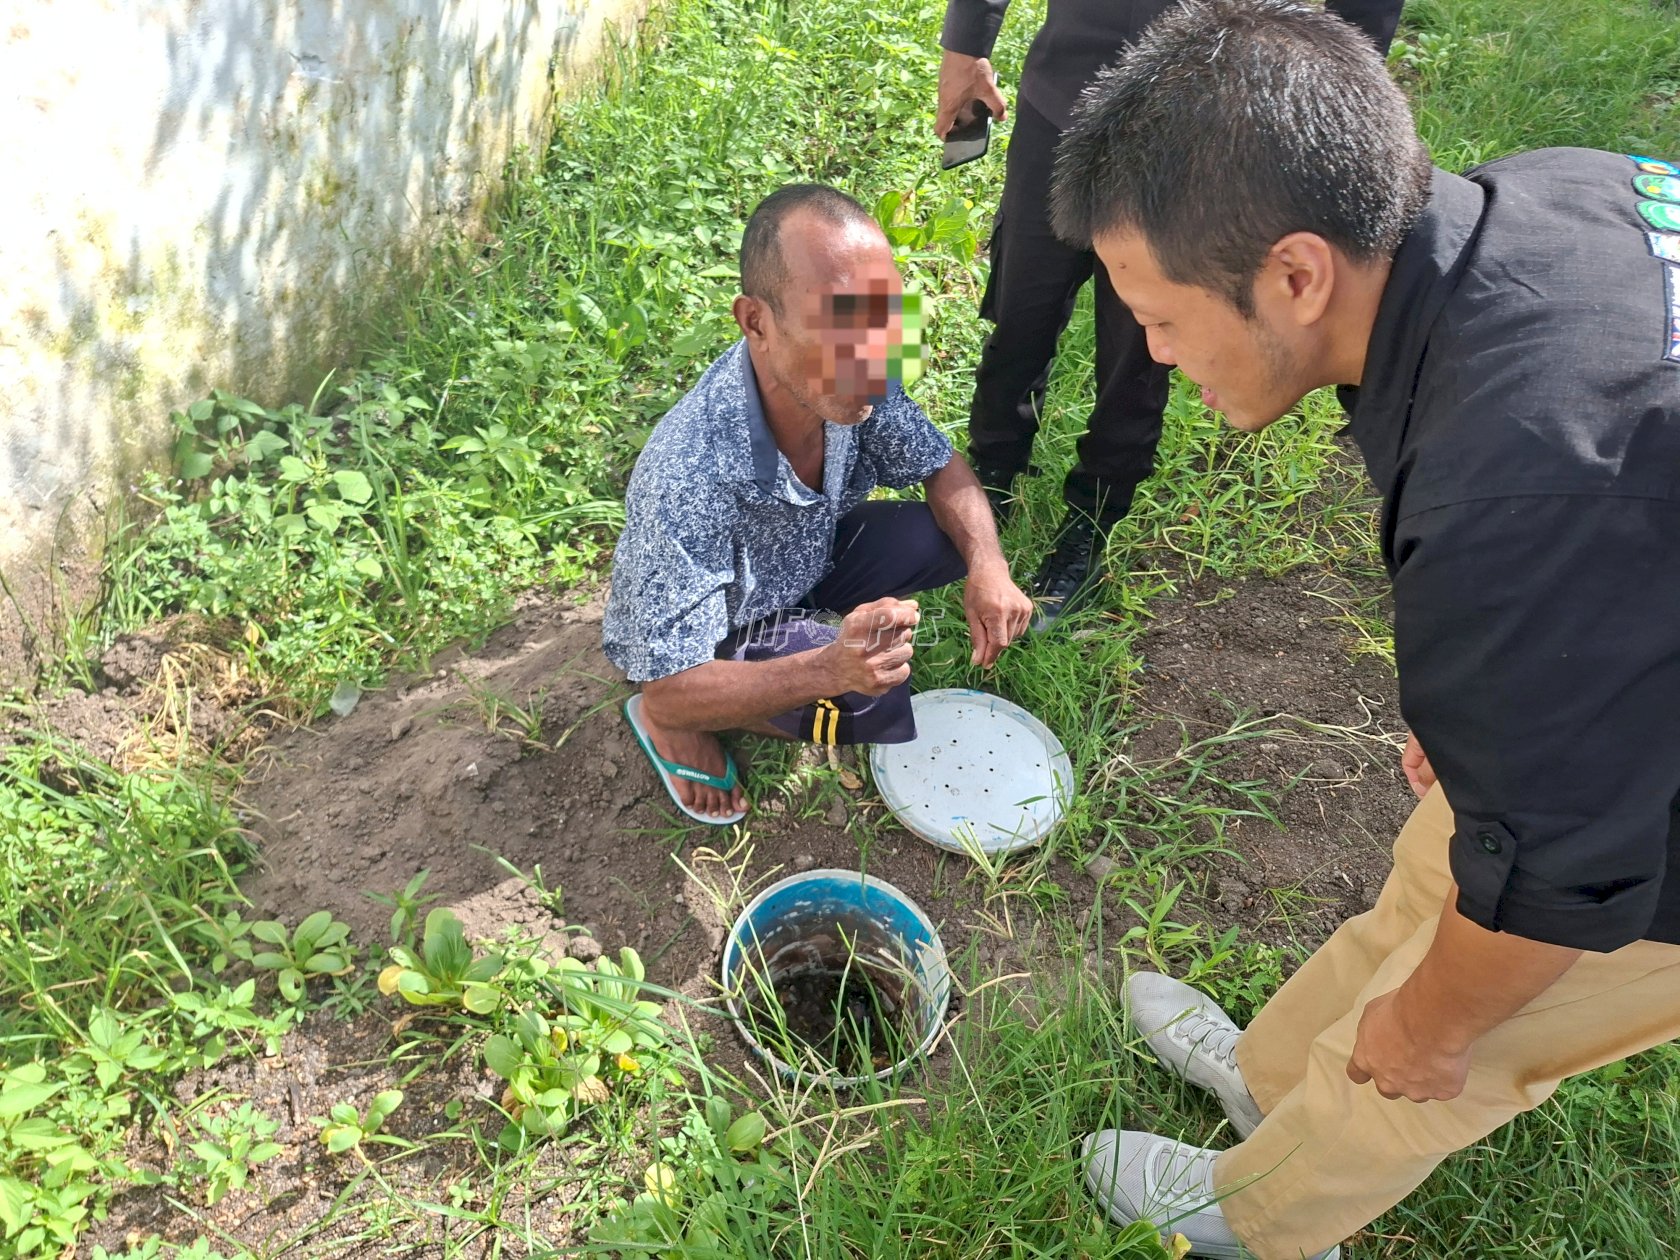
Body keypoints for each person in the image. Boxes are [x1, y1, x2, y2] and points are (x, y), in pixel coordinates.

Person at [1048, 1, 1680, 1256]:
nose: (1156, 355)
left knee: (1455, 1037)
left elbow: (1567, 880)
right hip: (1620, 677)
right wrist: (1532, 719)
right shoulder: (1554, 199)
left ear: (1294, 273)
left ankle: (1259, 1216)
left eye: (1162, 318)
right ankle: (1272, 1081)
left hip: (1644, 843)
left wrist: (1438, 1025)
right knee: (1429, 883)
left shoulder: (1517, 494)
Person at [936, 0, 1402, 630]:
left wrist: (1336, 96)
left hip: (1208, 128)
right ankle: (993, 467)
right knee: (1023, 301)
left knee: (1142, 343)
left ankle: (1094, 513)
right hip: (1068, 87)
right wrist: (966, 44)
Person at [602, 184, 1033, 826]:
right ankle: (669, 728)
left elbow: (941, 466)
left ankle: (796, 634)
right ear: (756, 322)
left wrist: (989, 568)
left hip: (803, 558)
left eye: (883, 317)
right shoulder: (689, 473)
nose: (871, 358)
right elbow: (669, 678)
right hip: (705, 640)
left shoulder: (858, 363)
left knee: (950, 540)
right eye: (837, 324)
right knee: (869, 703)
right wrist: (825, 667)